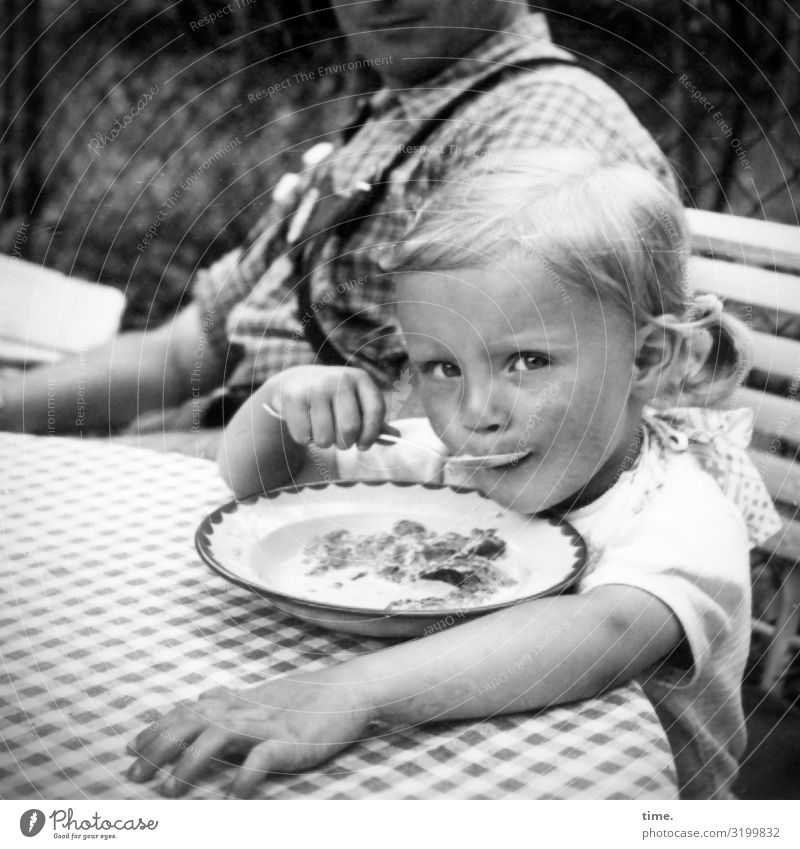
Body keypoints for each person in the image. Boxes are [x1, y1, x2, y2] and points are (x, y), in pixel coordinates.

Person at [127, 152, 780, 799]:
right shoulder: (456, 465)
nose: (473, 414)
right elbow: (271, 489)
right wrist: (280, 403)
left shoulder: (684, 515)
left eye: (526, 360)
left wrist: (350, 689)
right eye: (443, 367)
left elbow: (600, 632)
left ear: (646, 358)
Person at [0, 1, 675, 454]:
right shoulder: (402, 115)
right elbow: (186, 352)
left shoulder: (539, 133)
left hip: (312, 491)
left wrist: (141, 462)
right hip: (225, 447)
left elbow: (461, 433)